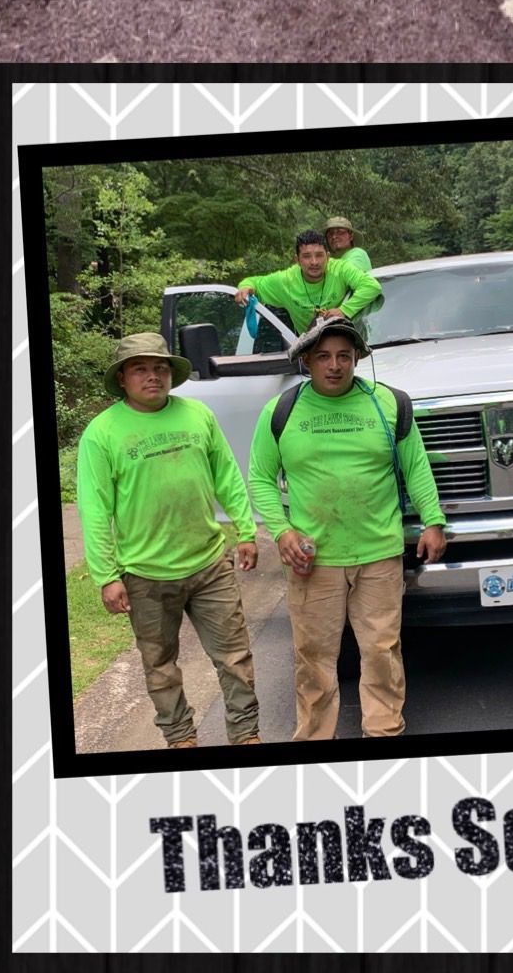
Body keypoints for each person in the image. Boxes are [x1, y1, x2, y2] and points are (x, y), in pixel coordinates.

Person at [247, 316, 446, 740]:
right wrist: (282, 531)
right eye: (323, 356)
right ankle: (316, 740)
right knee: (315, 658)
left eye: (343, 355)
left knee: (381, 651)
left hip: (379, 553)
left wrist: (433, 521)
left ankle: (384, 732)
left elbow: (416, 468)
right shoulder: (281, 411)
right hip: (313, 559)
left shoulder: (389, 403)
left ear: (357, 357)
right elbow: (261, 478)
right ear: (306, 362)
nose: (334, 365)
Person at [76, 332, 261, 750]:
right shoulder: (101, 434)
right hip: (145, 574)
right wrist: (107, 575)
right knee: (160, 666)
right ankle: (181, 741)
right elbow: (94, 509)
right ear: (122, 378)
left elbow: (227, 476)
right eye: (140, 368)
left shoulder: (198, 415)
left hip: (210, 563)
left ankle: (246, 736)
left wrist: (246, 530)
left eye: (159, 367)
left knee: (234, 658)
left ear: (171, 373)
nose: (152, 376)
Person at [235, 228, 381, 336]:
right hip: (311, 350)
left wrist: (344, 311)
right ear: (297, 260)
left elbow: (371, 286)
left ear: (328, 257)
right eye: (306, 256)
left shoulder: (341, 269)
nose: (314, 262)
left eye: (319, 255)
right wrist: (246, 288)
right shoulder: (286, 280)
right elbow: (253, 283)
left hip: (349, 340)